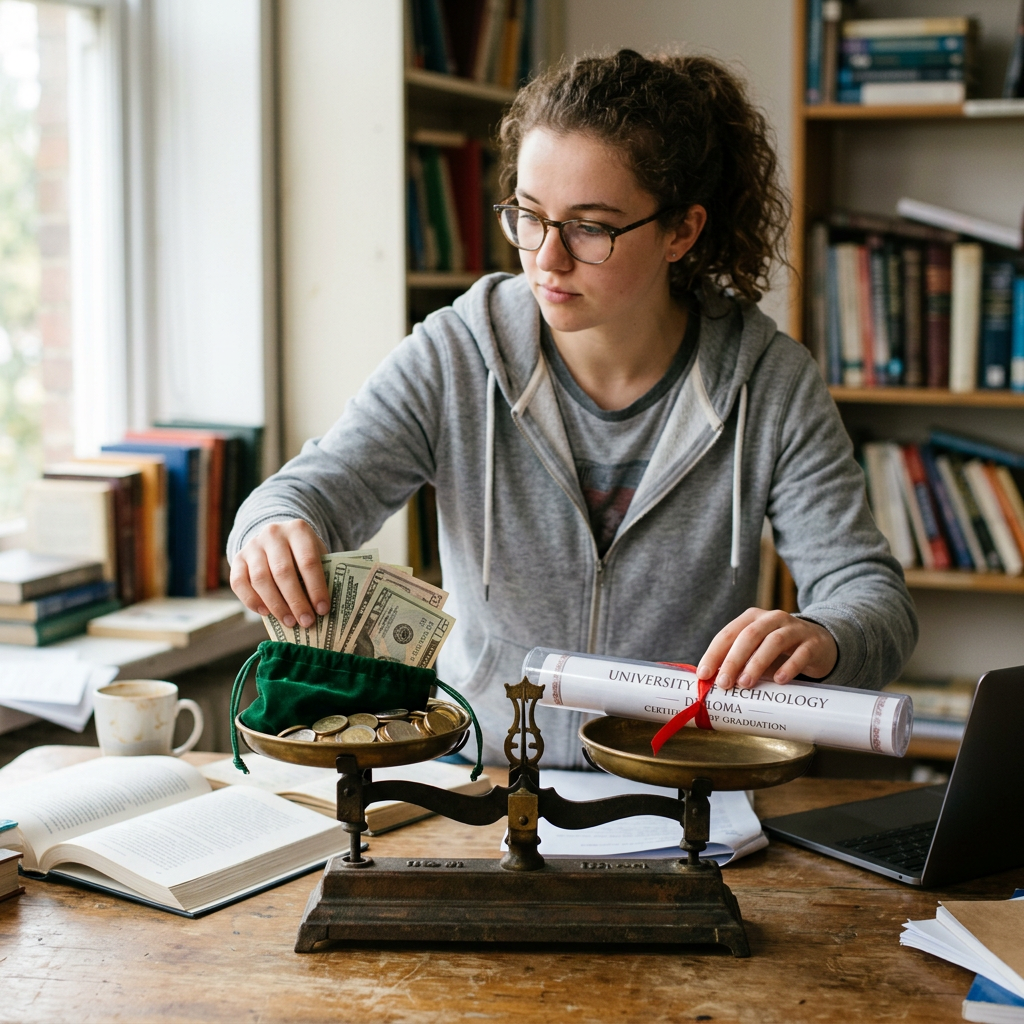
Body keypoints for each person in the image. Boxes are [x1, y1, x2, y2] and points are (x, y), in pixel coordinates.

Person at [228, 50, 917, 767]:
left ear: (680, 232)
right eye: (528, 215)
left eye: (590, 227)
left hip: (677, 785)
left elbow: (873, 599)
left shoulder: (771, 382)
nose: (546, 259)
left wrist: (827, 636)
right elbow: (307, 491)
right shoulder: (455, 353)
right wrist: (273, 528)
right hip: (480, 779)